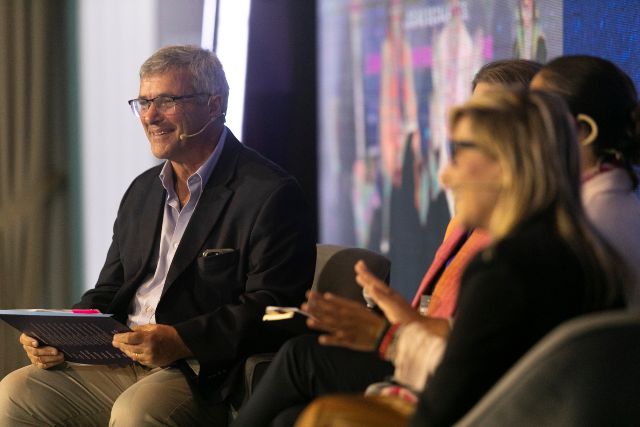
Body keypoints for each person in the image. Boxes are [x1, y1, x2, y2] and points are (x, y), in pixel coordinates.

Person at [0, 45, 316, 426]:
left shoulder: (270, 194)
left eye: (166, 101)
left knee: (136, 413)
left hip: (201, 368)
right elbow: (111, 290)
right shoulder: (142, 191)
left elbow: (274, 309)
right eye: (143, 102)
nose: (150, 116)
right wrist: (62, 332)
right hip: (121, 357)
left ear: (213, 105)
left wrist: (180, 340)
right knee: (16, 392)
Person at [231, 59, 542, 427]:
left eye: (472, 146)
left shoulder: (517, 262)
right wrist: (391, 319)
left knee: (302, 360)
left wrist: (385, 337)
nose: (446, 172)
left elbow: (456, 383)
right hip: (420, 357)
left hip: (445, 391)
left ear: (517, 147)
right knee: (288, 419)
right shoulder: (485, 233)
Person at [296, 88, 626, 427]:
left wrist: (386, 339)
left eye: (457, 155)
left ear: (506, 161)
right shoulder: (593, 257)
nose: (445, 177)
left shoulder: (506, 271)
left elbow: (439, 413)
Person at [530, 55, 640, 306]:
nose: (525, 130)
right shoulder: (618, 205)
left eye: (537, 115)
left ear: (584, 130)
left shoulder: (581, 225)